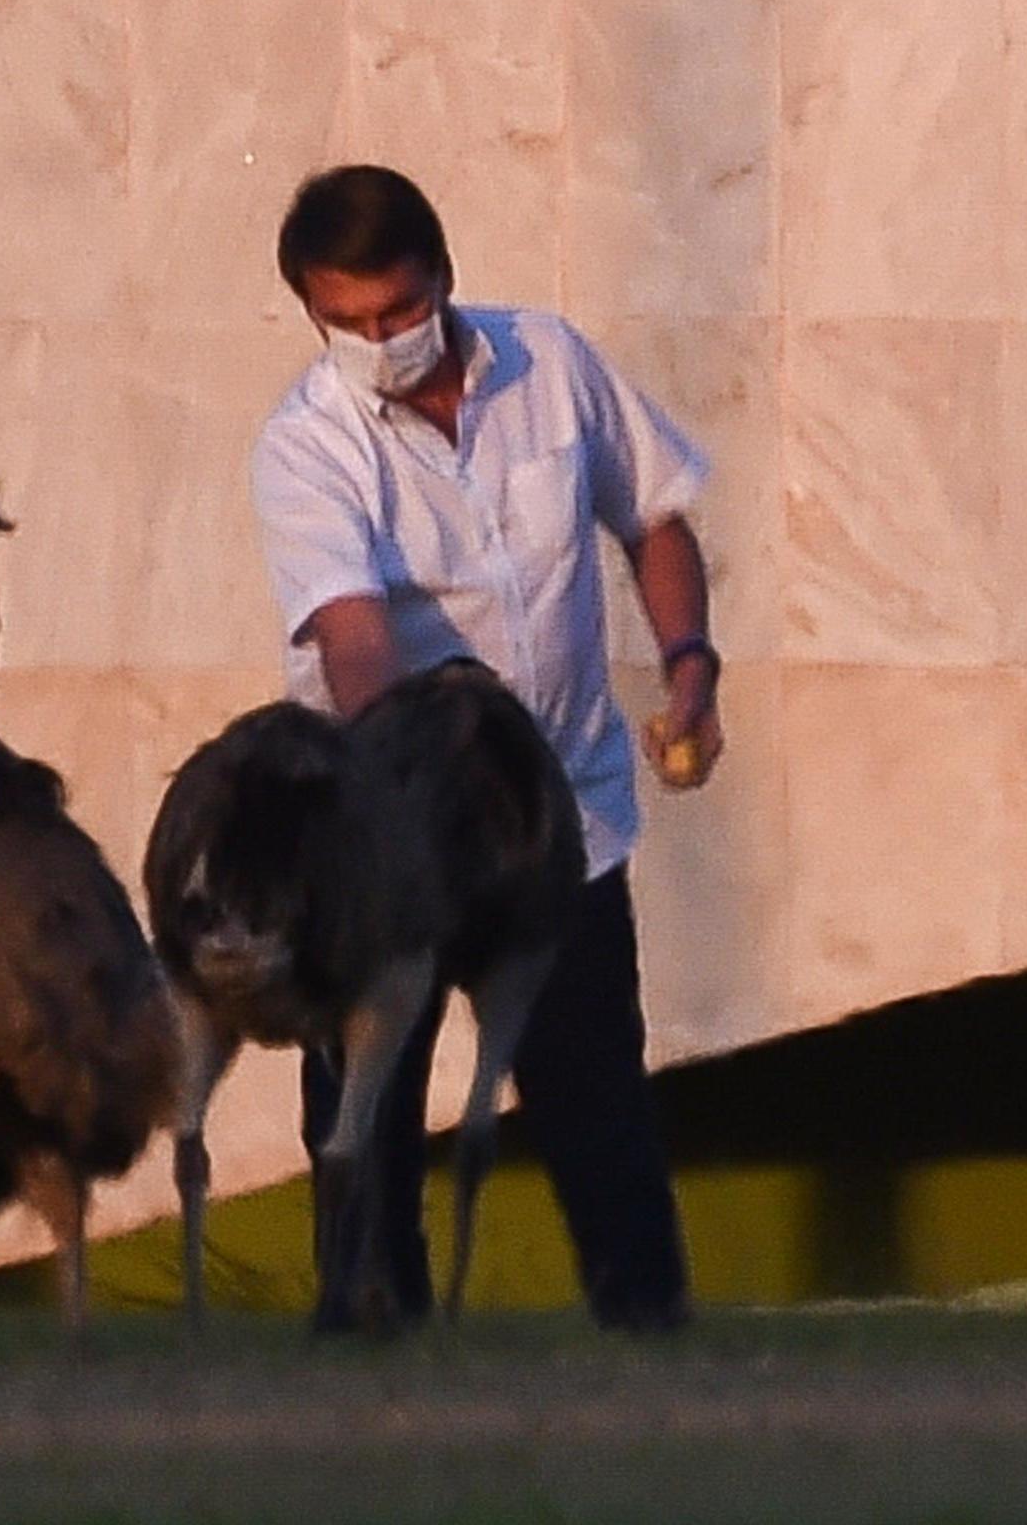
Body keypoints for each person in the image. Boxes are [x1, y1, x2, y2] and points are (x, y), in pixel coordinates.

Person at [250, 164, 721, 1333]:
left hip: (566, 815)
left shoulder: (551, 364)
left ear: (443, 279)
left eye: (398, 313)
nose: (378, 340)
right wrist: (413, 784)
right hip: (384, 832)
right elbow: (353, 636)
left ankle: (646, 1331)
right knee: (367, 1109)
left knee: (592, 1094)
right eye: (346, 323)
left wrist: (690, 665)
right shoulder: (304, 447)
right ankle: (371, 1339)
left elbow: (653, 514)